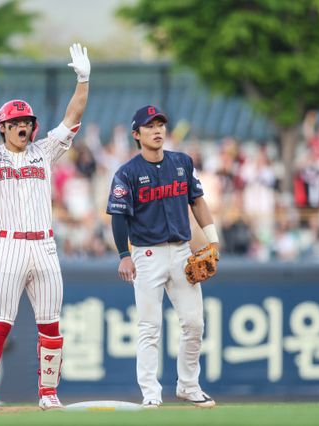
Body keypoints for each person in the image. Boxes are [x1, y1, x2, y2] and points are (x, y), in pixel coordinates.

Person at [0, 43, 90, 413]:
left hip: (45, 245)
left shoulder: (43, 151)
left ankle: (48, 393)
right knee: (0, 324)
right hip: (10, 245)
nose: (23, 126)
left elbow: (72, 117)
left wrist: (83, 80)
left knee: (51, 326)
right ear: (2, 128)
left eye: (27, 122)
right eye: (16, 122)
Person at [106, 105, 219, 409]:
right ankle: (150, 393)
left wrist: (213, 240)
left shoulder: (181, 162)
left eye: (160, 125)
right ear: (137, 134)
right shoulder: (127, 173)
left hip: (181, 251)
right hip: (146, 254)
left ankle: (189, 385)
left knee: (194, 323)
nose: (157, 130)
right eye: (150, 126)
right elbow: (118, 217)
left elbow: (197, 201)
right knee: (149, 327)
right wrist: (124, 254)